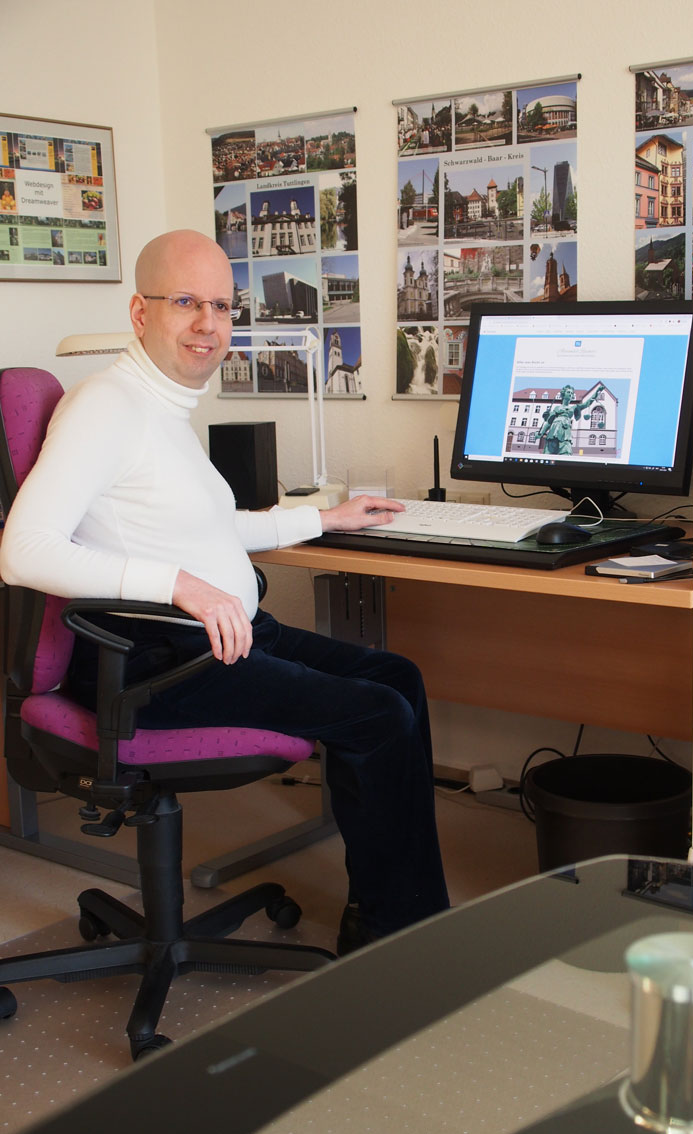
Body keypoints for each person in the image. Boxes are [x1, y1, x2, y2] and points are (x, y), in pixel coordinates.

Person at [0, 228, 449, 954]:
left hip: (222, 633)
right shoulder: (106, 406)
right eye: (186, 303)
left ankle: (399, 907)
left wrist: (322, 519)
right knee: (376, 714)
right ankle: (392, 937)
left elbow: (205, 527)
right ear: (140, 313)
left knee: (398, 675)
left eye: (222, 304)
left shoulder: (164, 408)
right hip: (156, 662)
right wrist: (178, 585)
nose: (209, 324)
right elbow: (21, 552)